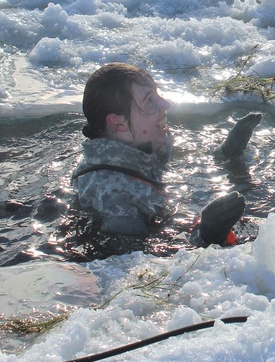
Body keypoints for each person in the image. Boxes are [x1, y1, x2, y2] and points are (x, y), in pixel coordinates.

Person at [73, 62, 261, 245]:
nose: (166, 103)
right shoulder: (118, 201)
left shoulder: (136, 146)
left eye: (158, 94)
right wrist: (206, 237)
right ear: (118, 124)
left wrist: (225, 155)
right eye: (150, 101)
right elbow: (139, 267)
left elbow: (179, 160)